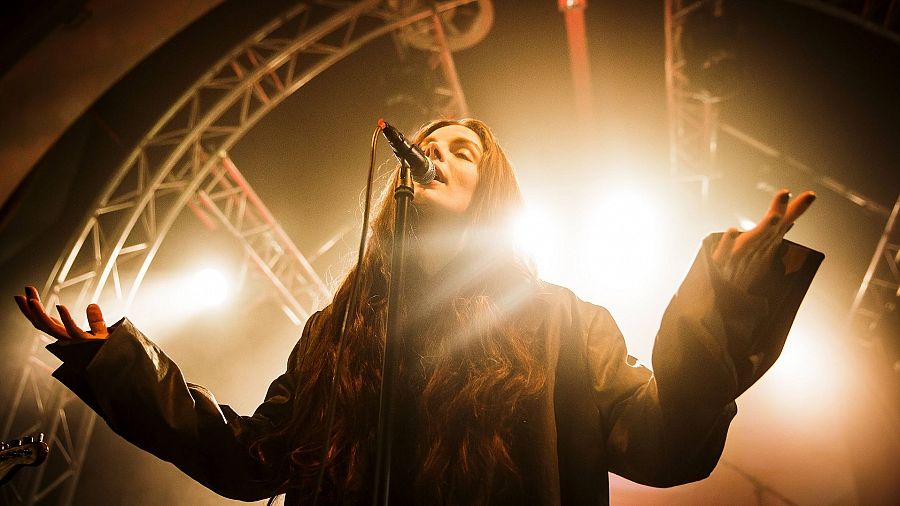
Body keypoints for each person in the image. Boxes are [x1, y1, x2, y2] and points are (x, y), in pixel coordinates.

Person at [15, 118, 823, 505]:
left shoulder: (565, 324)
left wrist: (724, 302)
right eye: (429, 140)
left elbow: (666, 444)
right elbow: (252, 457)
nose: (433, 150)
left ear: (494, 191)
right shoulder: (338, 333)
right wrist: (117, 364)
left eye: (462, 148)